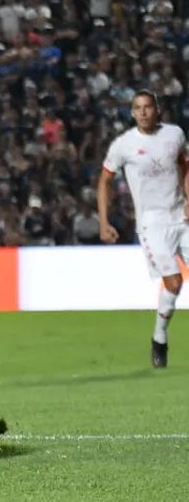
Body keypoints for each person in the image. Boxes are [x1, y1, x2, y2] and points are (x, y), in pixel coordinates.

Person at [98, 90, 189, 368]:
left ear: (157, 109)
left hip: (182, 218)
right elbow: (104, 181)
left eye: (148, 107)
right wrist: (104, 222)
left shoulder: (174, 134)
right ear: (132, 112)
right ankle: (159, 338)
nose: (143, 112)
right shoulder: (123, 145)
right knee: (174, 282)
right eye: (138, 108)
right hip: (152, 223)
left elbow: (185, 167)